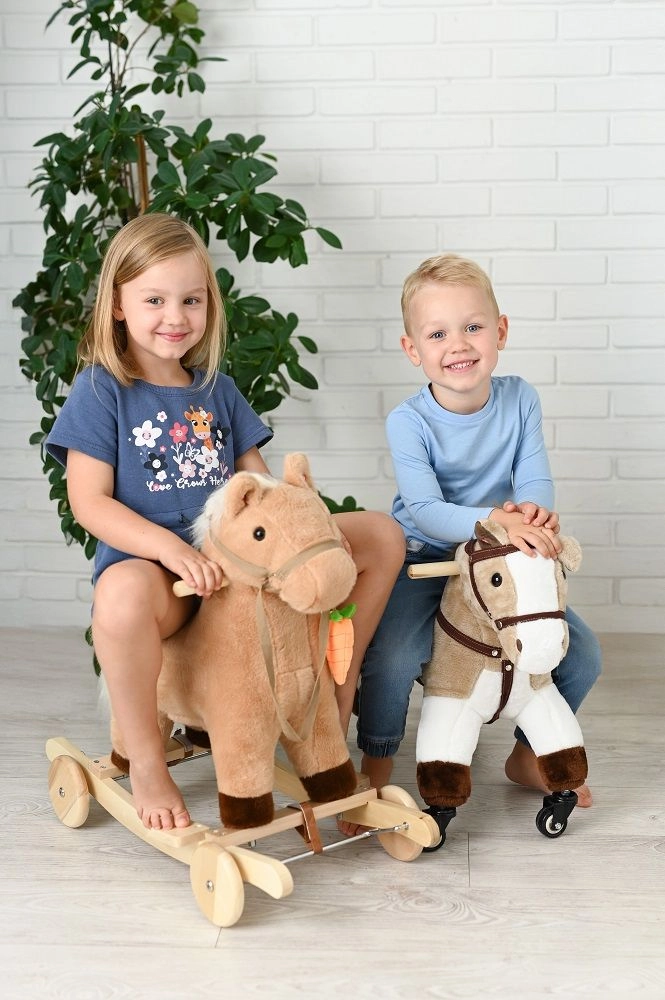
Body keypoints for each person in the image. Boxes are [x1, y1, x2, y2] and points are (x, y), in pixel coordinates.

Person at [46, 213, 405, 832]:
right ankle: (148, 762)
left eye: (191, 300)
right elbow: (90, 503)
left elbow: (260, 490)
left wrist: (309, 531)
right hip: (165, 579)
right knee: (120, 594)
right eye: (155, 300)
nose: (175, 316)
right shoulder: (103, 390)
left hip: (237, 568)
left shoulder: (217, 389)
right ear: (118, 306)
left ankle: (334, 695)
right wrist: (171, 550)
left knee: (380, 536)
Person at [355, 253, 601, 807]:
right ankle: (376, 761)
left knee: (583, 655)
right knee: (393, 657)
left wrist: (533, 515)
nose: (458, 345)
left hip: (497, 560)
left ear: (501, 331)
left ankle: (526, 756)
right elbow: (424, 509)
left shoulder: (521, 398)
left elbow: (534, 477)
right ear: (413, 350)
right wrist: (494, 519)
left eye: (472, 327)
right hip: (427, 558)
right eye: (438, 334)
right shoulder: (408, 421)